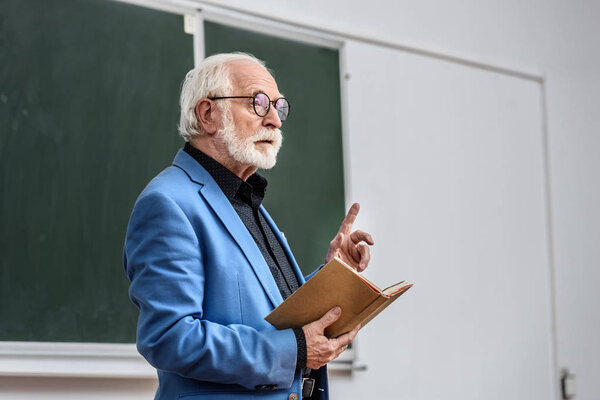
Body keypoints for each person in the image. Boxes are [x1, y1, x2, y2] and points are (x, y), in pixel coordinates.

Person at [123, 52, 374, 400]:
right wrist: (294, 351)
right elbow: (169, 338)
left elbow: (273, 314)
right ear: (208, 114)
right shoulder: (168, 203)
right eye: (258, 103)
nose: (275, 120)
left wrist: (334, 278)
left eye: (278, 106)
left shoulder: (243, 198)